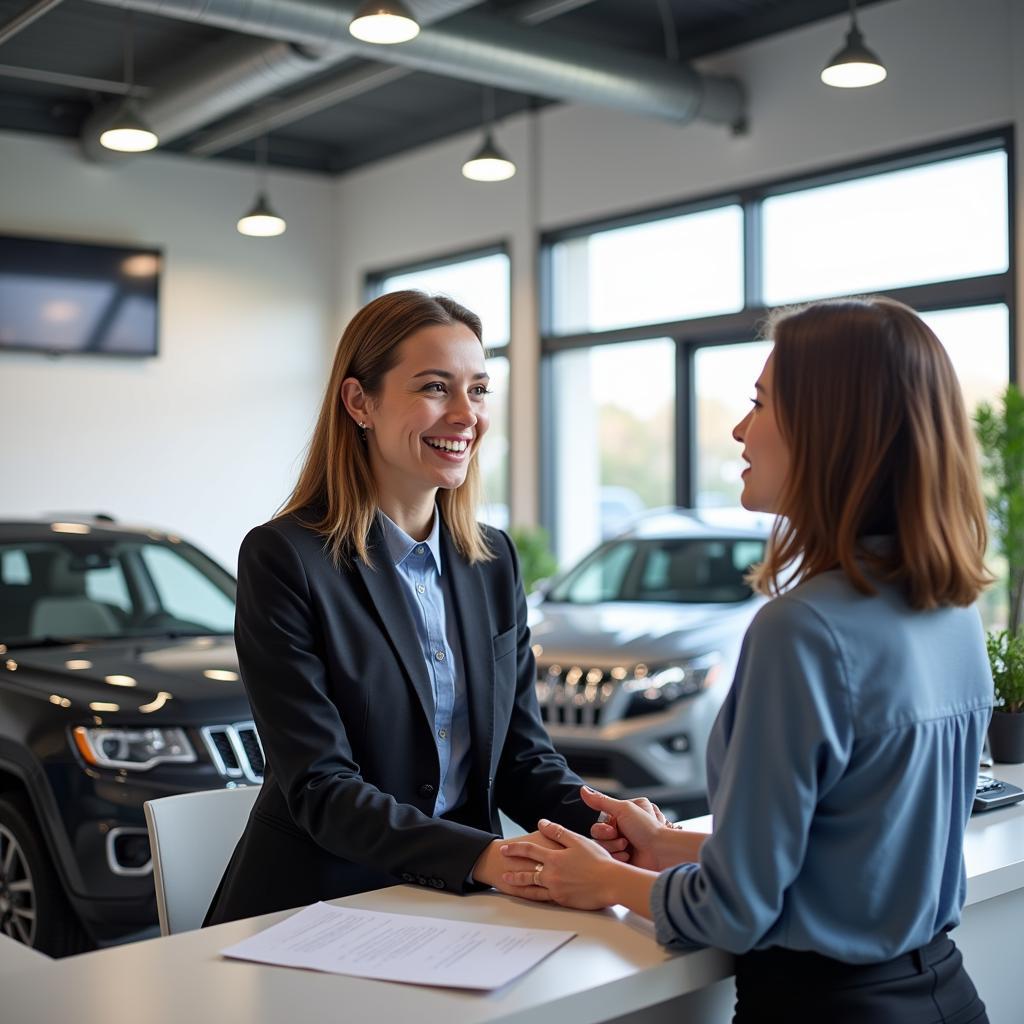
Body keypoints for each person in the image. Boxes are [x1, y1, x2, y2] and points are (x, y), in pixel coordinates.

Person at [500, 297, 993, 1023]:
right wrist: (668, 845)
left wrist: (602, 881)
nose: (739, 429)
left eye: (760, 402)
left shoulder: (802, 629)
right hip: (944, 994)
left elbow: (737, 911)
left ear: (830, 428)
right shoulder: (951, 612)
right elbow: (849, 853)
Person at [205, 290, 618, 925]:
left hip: (461, 905)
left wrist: (607, 820)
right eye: (435, 388)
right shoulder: (285, 558)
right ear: (358, 402)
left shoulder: (492, 560)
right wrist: (489, 857)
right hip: (319, 902)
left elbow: (522, 760)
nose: (466, 415)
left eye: (478, 390)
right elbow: (322, 788)